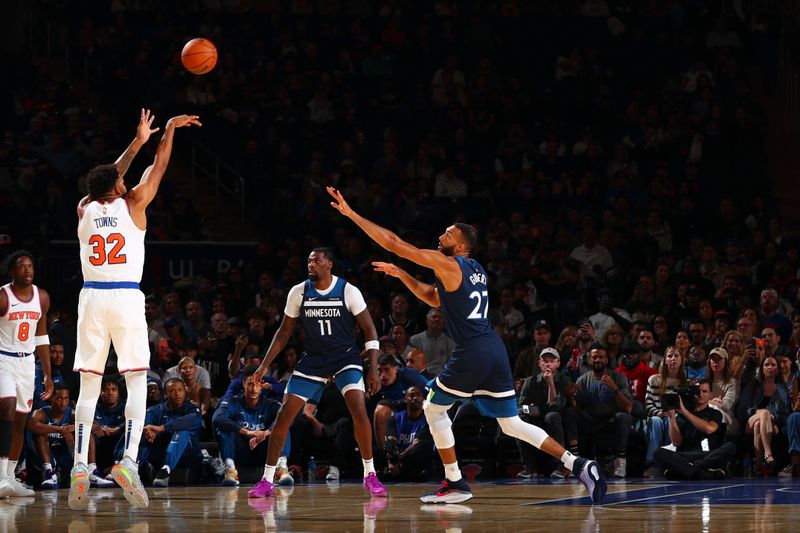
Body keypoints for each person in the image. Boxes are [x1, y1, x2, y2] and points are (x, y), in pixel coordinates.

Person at [326, 187, 606, 504]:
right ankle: (579, 464)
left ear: (460, 244)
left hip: (473, 349)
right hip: (493, 349)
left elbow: (395, 244)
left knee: (433, 407)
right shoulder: (478, 272)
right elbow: (434, 298)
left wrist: (352, 215)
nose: (441, 235)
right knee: (512, 424)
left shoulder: (451, 264)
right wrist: (402, 275)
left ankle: (455, 482)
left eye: (448, 233)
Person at [69, 109, 201, 510]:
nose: (127, 179)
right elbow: (159, 166)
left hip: (91, 298)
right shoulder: (136, 203)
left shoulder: (84, 209)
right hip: (125, 297)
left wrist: (136, 142)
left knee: (89, 385)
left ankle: (78, 464)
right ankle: (127, 460)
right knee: (138, 380)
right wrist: (166, 134)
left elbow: (109, 176)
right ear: (117, 186)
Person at [249, 247, 387, 499]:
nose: (310, 264)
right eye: (308, 261)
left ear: (329, 264)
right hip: (312, 361)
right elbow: (283, 333)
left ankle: (370, 474)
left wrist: (374, 370)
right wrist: (264, 365)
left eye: (315, 261)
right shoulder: (298, 292)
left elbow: (370, 331)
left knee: (358, 408)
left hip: (345, 357)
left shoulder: (347, 290)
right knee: (284, 416)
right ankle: (267, 479)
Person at [0, 250, 53, 498]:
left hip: (27, 363)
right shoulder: (3, 296)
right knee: (7, 410)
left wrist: (48, 375)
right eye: (22, 267)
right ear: (12, 271)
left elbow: (41, 337)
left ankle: (11, 477)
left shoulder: (41, 297)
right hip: (3, 360)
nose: (28, 271)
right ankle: (0, 477)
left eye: (31, 267)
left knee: (21, 420)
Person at [212, 366, 291, 487]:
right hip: (240, 451)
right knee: (223, 428)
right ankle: (230, 470)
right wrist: (247, 432)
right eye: (249, 384)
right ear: (243, 384)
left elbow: (288, 419)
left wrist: (265, 433)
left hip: (264, 452)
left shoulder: (271, 404)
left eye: (257, 384)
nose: (253, 388)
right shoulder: (232, 402)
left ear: (262, 384)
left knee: (284, 426)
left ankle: (281, 468)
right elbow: (217, 418)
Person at [652, 380, 736, 479]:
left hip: (707, 456)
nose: (700, 394)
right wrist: (672, 417)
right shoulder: (680, 416)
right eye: (697, 392)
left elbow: (709, 429)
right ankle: (701, 473)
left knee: (731, 447)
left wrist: (685, 412)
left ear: (710, 394)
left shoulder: (715, 413)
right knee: (658, 452)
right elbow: (676, 442)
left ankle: (691, 469)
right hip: (686, 456)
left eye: (704, 391)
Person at [516, 347, 578, 479]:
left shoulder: (564, 380)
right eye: (544, 361)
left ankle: (560, 466)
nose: (547, 364)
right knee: (520, 420)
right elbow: (520, 407)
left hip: (556, 419)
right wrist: (530, 410)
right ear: (539, 363)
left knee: (552, 416)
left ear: (558, 363)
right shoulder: (530, 381)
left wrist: (550, 383)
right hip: (536, 418)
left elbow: (555, 406)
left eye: (551, 360)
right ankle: (529, 467)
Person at [574, 343, 634, 479]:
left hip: (612, 421)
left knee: (623, 416)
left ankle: (620, 461)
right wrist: (572, 397)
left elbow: (628, 408)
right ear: (589, 360)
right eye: (594, 357)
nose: (598, 360)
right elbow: (578, 407)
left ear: (607, 360)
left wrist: (615, 389)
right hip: (591, 420)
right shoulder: (582, 380)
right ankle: (573, 461)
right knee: (569, 414)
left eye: (601, 357)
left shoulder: (619, 378)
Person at [140, 377, 203, 487]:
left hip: (186, 456)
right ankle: (129, 468)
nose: (177, 394)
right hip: (160, 453)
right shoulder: (154, 410)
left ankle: (165, 470)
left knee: (182, 432)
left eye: (180, 390)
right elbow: (146, 427)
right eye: (172, 391)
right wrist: (149, 433)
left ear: (185, 392)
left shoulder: (193, 410)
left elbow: (186, 422)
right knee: (143, 437)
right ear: (165, 394)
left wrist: (161, 428)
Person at [382, 386, 433, 481]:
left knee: (426, 446)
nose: (415, 398)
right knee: (384, 446)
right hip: (397, 455)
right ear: (405, 399)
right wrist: (393, 458)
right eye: (411, 395)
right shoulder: (395, 418)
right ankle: (400, 471)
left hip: (412, 456)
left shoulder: (428, 419)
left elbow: (417, 443)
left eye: (418, 395)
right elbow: (390, 440)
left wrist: (398, 460)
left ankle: (395, 471)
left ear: (423, 399)